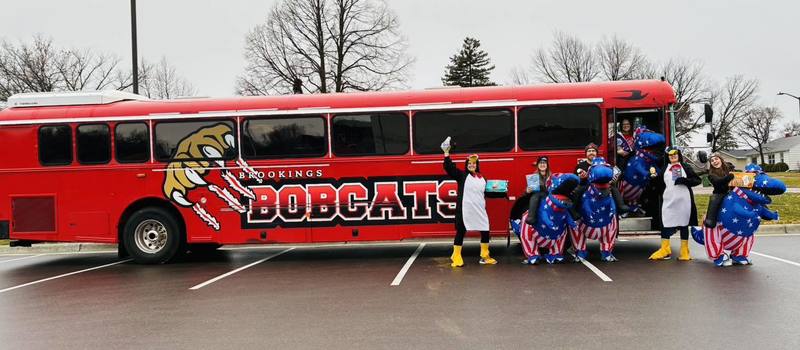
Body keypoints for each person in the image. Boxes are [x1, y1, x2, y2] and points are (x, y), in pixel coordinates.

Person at [442, 141, 497, 267]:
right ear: (466, 165)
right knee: (461, 232)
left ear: (477, 165)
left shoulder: (482, 178)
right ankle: (456, 256)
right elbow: (449, 168)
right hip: (465, 210)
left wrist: (501, 192)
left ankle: (485, 256)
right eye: (469, 163)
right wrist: (446, 154)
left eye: (474, 163)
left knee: (485, 231)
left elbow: (487, 193)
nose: (472, 165)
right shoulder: (462, 175)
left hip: (479, 210)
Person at [650, 146, 701, 261]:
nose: (673, 157)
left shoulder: (686, 167)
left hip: (684, 200)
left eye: (675, 154)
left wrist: (686, 181)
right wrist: (654, 178)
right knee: (665, 222)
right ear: (668, 157)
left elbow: (697, 180)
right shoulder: (664, 168)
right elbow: (659, 184)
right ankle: (665, 249)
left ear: (679, 155)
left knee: (683, 224)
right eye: (670, 155)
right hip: (668, 200)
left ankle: (684, 251)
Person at [573, 143, 628, 218]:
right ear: (586, 153)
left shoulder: (604, 164)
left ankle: (621, 207)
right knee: (577, 191)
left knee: (614, 188)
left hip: (603, 185)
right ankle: (573, 211)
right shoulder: (580, 165)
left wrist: (613, 180)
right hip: (587, 185)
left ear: (596, 153)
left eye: (593, 151)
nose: (591, 152)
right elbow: (576, 180)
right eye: (589, 151)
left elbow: (611, 175)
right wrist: (582, 178)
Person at [704, 153, 733, 228]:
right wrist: (729, 177)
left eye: (716, 159)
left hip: (732, 192)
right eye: (712, 161)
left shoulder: (730, 169)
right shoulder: (711, 174)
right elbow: (717, 182)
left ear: (721, 159)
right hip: (719, 193)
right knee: (714, 199)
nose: (714, 161)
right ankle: (710, 220)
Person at [523, 156, 551, 224]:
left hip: (549, 197)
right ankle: (531, 217)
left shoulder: (551, 176)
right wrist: (527, 191)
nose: (542, 164)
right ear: (538, 165)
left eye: (544, 163)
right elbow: (526, 192)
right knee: (535, 195)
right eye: (540, 163)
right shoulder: (534, 176)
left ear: (547, 165)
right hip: (538, 198)